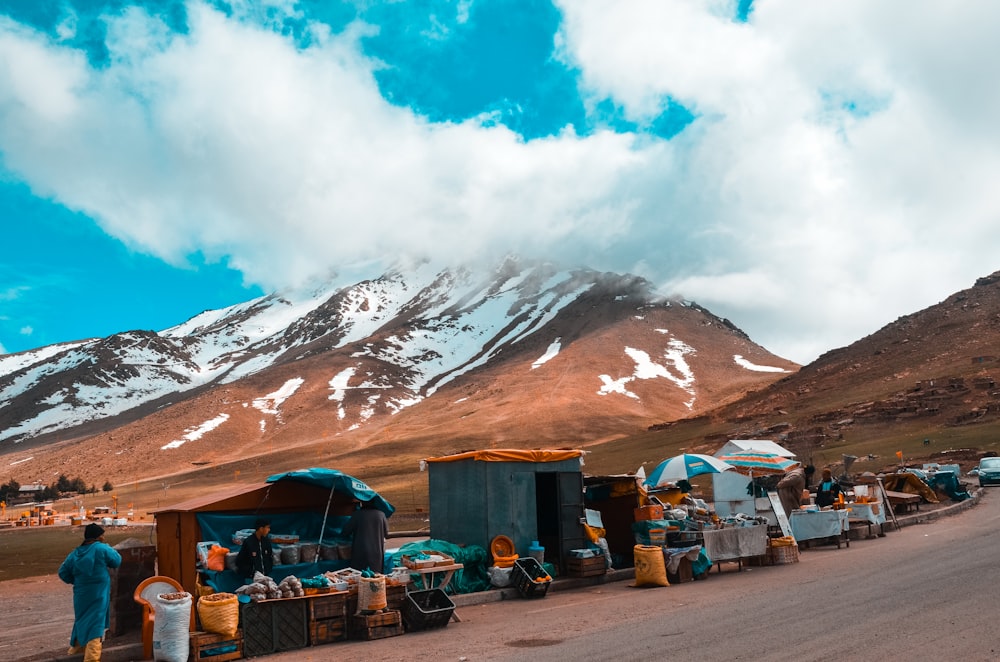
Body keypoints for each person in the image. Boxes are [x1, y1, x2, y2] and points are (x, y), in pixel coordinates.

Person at [58, 523, 122, 662]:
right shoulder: (101, 548)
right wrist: (109, 547)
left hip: (81, 593)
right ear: (98, 536)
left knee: (82, 621)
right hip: (98, 592)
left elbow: (63, 573)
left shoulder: (75, 553)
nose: (104, 537)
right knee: (96, 623)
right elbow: (116, 561)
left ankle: (75, 652)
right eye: (102, 534)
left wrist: (77, 581)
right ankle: (91, 658)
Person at [341, 499, 388, 573]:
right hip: (377, 553)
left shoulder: (357, 515)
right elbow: (386, 533)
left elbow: (345, 531)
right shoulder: (381, 514)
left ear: (362, 503)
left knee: (360, 578)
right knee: (376, 579)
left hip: (360, 553)